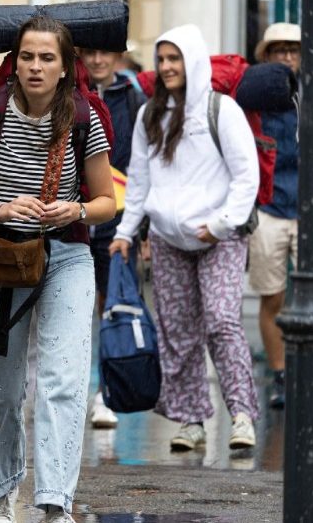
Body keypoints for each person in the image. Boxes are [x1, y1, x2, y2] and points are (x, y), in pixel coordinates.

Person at [0, 16, 115, 523]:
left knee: (62, 382)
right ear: (13, 63)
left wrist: (78, 210)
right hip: (1, 258)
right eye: (26, 57)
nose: (35, 67)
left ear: (66, 68)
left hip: (66, 255)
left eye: (47, 58)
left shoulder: (85, 119)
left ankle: (54, 504)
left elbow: (107, 200)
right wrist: (0, 209)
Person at [110, 24, 259, 452]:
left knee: (222, 322)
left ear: (192, 61)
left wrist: (223, 224)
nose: (166, 67)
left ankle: (242, 415)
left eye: (174, 59)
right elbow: (137, 181)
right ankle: (191, 420)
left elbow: (245, 176)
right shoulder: (150, 115)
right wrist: (125, 232)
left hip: (220, 239)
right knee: (177, 330)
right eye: (161, 59)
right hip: (168, 239)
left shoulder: (221, 110)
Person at [77, 45, 147, 430]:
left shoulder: (134, 99)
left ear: (119, 57)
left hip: (118, 221)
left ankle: (105, 393)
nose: (98, 60)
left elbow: (144, 163)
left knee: (110, 307)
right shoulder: (70, 93)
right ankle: (70, 392)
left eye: (107, 53)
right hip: (73, 218)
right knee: (67, 307)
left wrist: (141, 226)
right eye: (92, 53)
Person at [249, 22, 301, 409]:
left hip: (310, 210)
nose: (286, 57)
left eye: (293, 50)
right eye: (278, 50)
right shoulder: (254, 101)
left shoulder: (312, 96)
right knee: (273, 297)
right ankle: (281, 373)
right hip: (268, 208)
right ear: (266, 56)